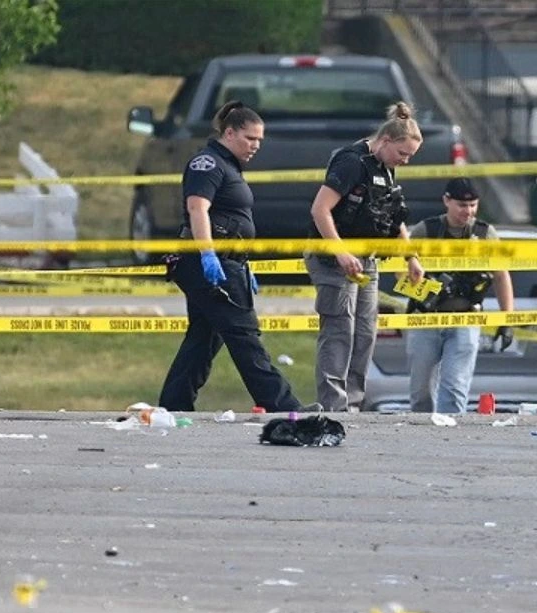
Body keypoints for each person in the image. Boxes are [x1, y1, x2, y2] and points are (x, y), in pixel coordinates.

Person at [158, 101, 315, 413]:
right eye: (250, 138)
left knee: (204, 338)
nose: (256, 145)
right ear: (229, 133)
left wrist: (241, 262)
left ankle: (175, 404)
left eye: (259, 140)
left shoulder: (228, 166)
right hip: (209, 262)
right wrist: (208, 254)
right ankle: (283, 406)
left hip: (228, 261)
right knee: (244, 335)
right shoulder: (208, 163)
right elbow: (197, 208)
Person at [305, 101, 425, 412]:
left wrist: (410, 257)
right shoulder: (351, 162)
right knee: (339, 331)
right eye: (402, 153)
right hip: (333, 257)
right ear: (385, 140)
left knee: (365, 332)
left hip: (367, 259)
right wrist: (340, 251)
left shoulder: (385, 168)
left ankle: (353, 403)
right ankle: (333, 405)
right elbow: (320, 209)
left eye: (410, 156)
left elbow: (393, 216)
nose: (405, 161)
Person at [404, 177, 515, 414]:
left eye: (473, 205)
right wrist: (427, 289)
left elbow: (501, 276)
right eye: (462, 205)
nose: (468, 211)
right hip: (426, 318)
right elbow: (400, 269)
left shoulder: (484, 234)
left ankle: (450, 432)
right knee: (421, 391)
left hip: (465, 318)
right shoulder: (427, 230)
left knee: (455, 387)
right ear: (446, 201)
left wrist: (507, 320)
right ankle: (420, 434)